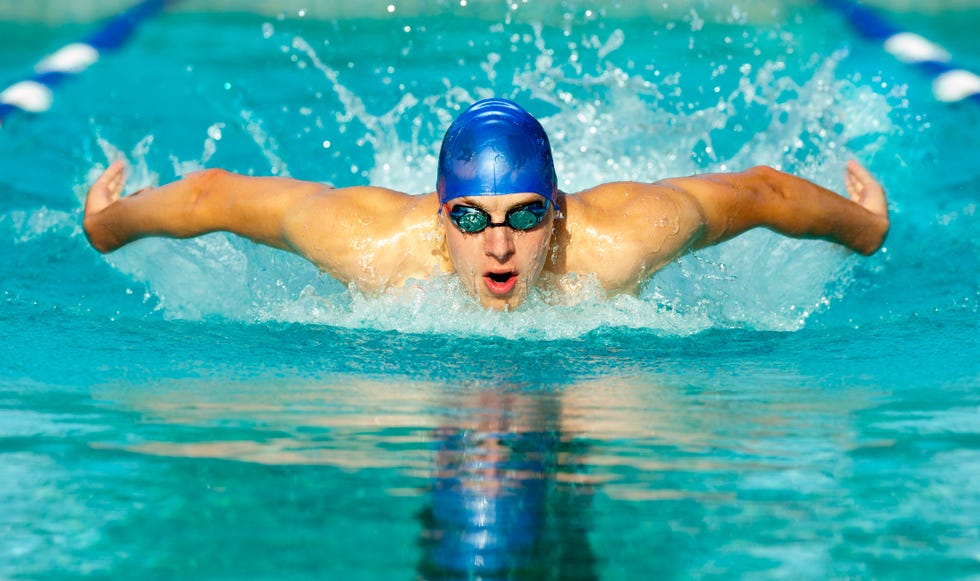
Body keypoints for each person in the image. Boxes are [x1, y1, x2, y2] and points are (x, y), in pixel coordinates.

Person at [83, 98, 889, 311]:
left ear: (559, 211)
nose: (498, 245)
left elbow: (759, 191)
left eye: (524, 216)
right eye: (471, 218)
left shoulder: (620, 241)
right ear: (440, 219)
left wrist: (869, 228)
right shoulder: (376, 247)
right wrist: (105, 225)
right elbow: (216, 197)